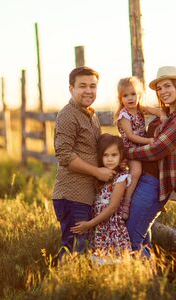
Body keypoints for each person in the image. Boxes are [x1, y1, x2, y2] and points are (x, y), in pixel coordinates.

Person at [125, 66, 176, 257]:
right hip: (143, 179)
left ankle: (142, 282)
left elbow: (158, 149)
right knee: (141, 235)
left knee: (131, 237)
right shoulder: (165, 115)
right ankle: (149, 278)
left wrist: (127, 153)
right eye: (160, 88)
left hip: (155, 183)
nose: (163, 92)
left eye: (167, 86)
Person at [52, 66, 115, 259]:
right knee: (73, 250)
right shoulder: (67, 116)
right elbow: (64, 156)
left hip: (85, 196)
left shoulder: (91, 115)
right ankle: (64, 287)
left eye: (93, 86)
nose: (88, 90)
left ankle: (74, 285)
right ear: (71, 89)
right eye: (82, 86)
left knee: (83, 249)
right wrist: (97, 172)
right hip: (72, 196)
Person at [71, 134, 132, 256]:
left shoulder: (121, 178)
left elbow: (112, 207)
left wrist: (89, 224)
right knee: (98, 259)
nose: (110, 159)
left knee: (111, 258)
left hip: (110, 227)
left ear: (121, 156)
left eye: (114, 155)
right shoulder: (101, 175)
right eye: (105, 155)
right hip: (99, 227)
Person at [114, 76, 165, 220]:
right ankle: (126, 202)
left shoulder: (140, 108)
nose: (130, 98)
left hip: (141, 146)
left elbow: (157, 111)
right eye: (125, 95)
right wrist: (148, 140)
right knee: (136, 172)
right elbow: (130, 136)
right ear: (120, 99)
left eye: (133, 94)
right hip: (130, 148)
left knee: (149, 172)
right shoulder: (124, 115)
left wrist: (162, 115)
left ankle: (151, 199)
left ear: (139, 95)